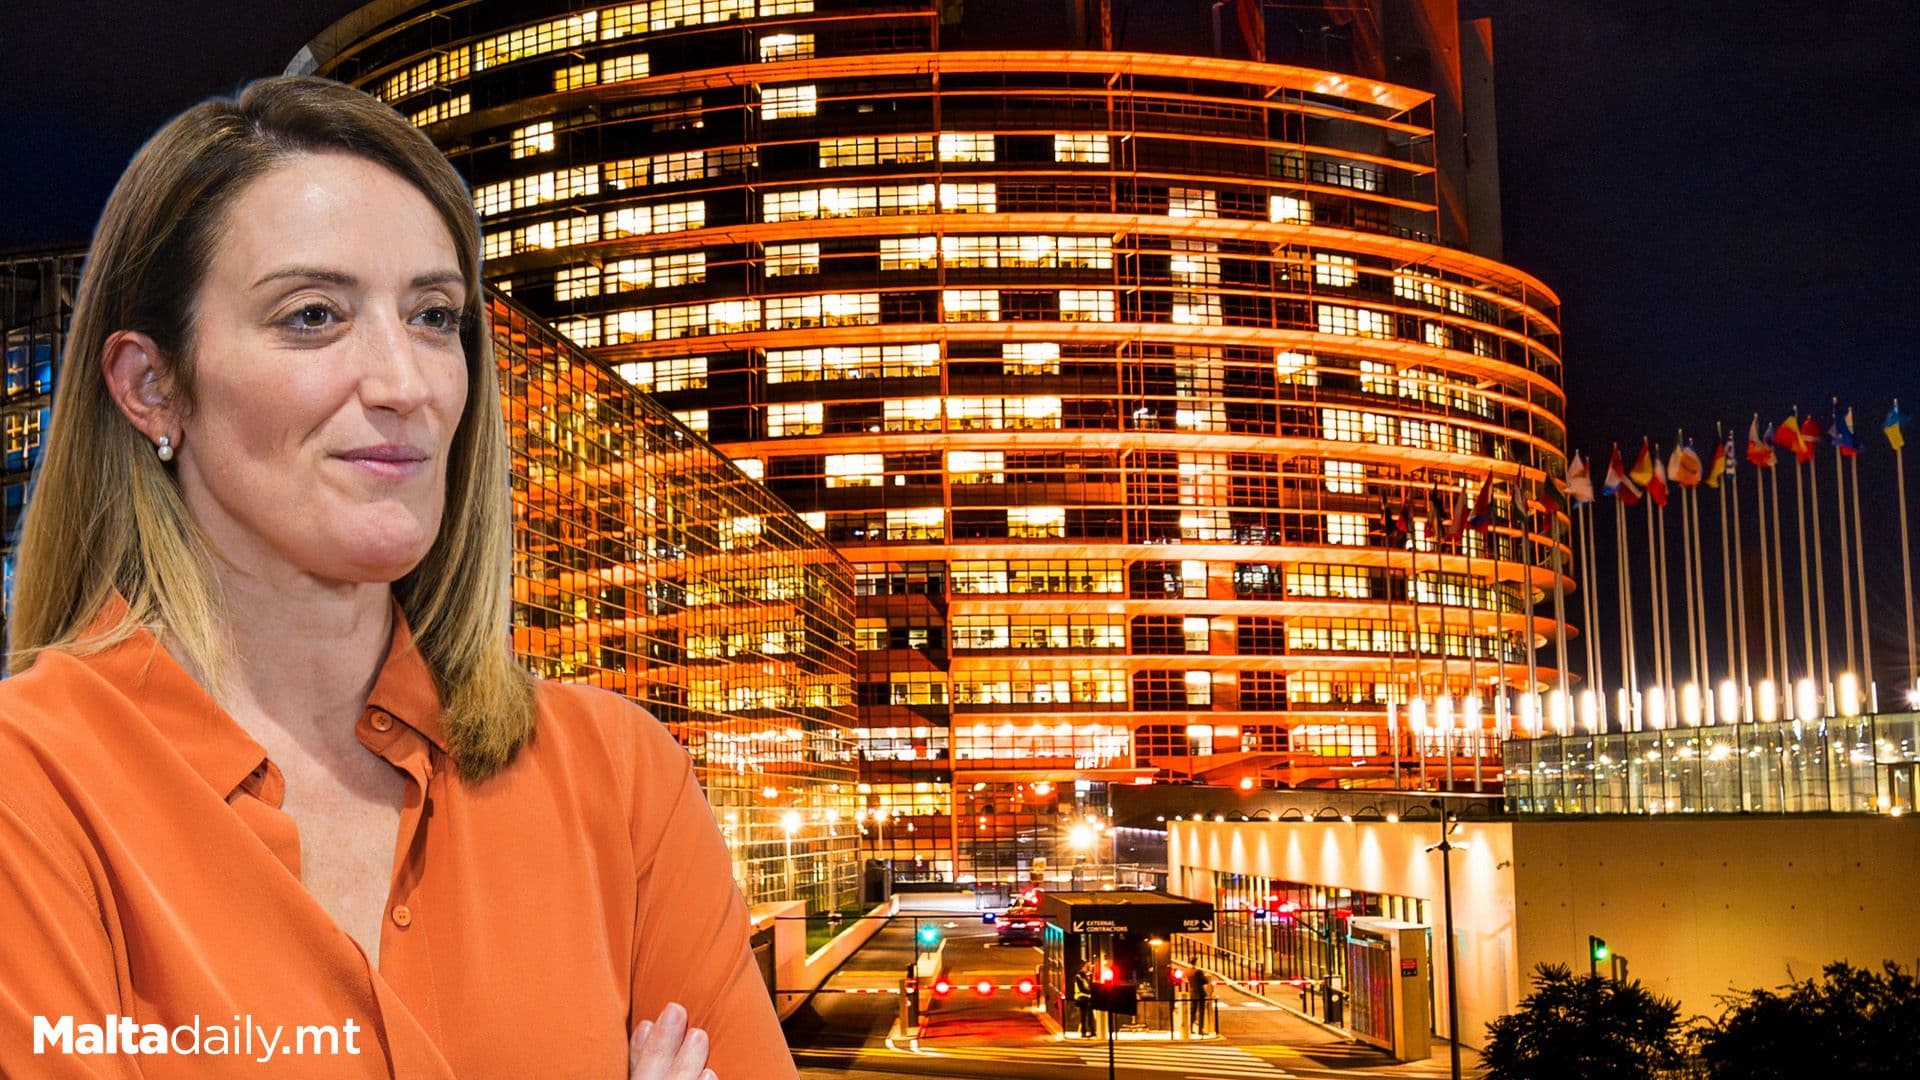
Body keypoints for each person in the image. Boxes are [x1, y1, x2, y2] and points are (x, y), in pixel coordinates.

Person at [0, 76, 797, 1079]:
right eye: (314, 315)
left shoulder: (621, 779)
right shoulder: (30, 789)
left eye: (433, 316)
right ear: (154, 386)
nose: (406, 384)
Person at [1188, 967, 1211, 1035]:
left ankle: (1190, 1029)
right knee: (1201, 1011)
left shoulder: (1188, 971)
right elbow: (1205, 981)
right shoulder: (1198, 971)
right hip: (1200, 993)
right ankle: (1200, 1030)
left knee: (1193, 1011)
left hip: (1193, 993)